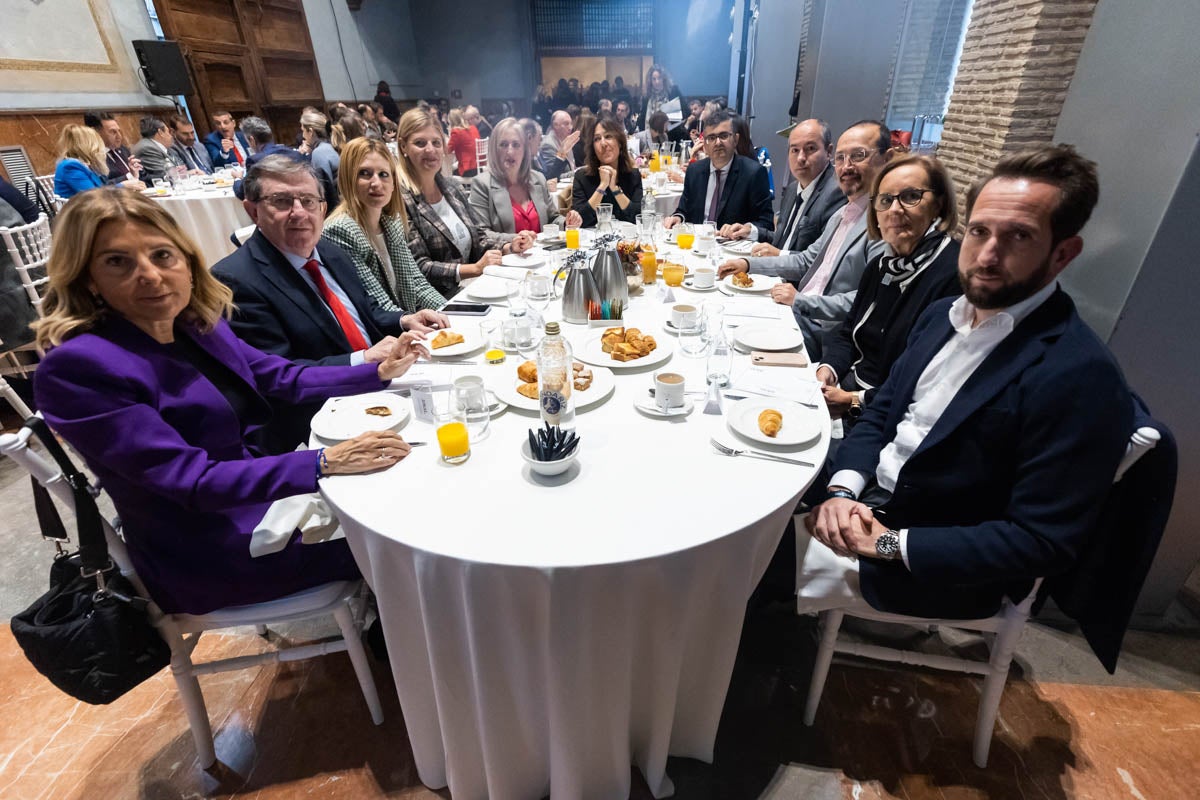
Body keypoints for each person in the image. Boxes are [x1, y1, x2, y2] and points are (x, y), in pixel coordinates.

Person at [32, 188, 426, 615]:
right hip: (210, 549)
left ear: (186, 260)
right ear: (87, 277)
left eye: (162, 255)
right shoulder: (79, 367)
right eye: (117, 262)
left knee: (411, 487)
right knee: (409, 539)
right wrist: (322, 463)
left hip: (262, 498)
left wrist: (376, 372)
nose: (149, 274)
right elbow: (192, 481)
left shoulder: (192, 320)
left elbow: (278, 374)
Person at [794, 144, 1134, 624]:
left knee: (739, 568)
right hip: (866, 497)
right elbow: (879, 413)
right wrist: (843, 492)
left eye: (1018, 236)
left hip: (929, 561)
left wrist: (887, 542)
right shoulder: (943, 316)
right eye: (979, 231)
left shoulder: (1079, 374)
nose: (988, 255)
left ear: (1063, 254)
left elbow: (1041, 540)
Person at [212, 155, 447, 451]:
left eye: (308, 201)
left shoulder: (329, 250)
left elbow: (365, 312)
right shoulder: (235, 280)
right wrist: (366, 361)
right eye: (282, 201)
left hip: (383, 388)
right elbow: (279, 376)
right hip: (323, 420)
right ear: (253, 210)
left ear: (323, 208)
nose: (299, 213)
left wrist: (404, 320)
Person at [718, 120, 892, 359]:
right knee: (724, 315)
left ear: (887, 159)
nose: (846, 166)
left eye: (858, 155)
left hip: (824, 332)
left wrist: (801, 302)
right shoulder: (844, 214)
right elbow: (805, 261)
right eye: (841, 158)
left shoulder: (885, 223)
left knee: (728, 345)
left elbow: (868, 300)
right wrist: (748, 264)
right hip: (798, 313)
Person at [817, 155, 962, 431]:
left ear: (939, 205)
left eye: (910, 197)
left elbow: (927, 380)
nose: (895, 210)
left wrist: (854, 401)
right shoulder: (881, 265)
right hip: (847, 389)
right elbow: (848, 333)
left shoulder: (952, 273)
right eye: (885, 200)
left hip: (888, 416)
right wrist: (828, 370)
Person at [394, 108, 533, 297]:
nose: (430, 150)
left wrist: (509, 246)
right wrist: (473, 269)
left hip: (473, 288)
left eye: (436, 142)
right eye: (420, 143)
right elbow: (419, 267)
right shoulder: (400, 199)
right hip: (439, 300)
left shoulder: (452, 188)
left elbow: (479, 235)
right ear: (403, 147)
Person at [322, 138, 446, 314]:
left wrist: (449, 313)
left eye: (383, 174)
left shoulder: (392, 222)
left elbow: (417, 283)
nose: (377, 183)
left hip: (407, 323)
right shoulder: (340, 230)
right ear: (348, 179)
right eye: (365, 173)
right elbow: (378, 304)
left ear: (394, 184)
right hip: (382, 334)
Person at [663, 109, 773, 236]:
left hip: (731, 246)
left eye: (724, 136)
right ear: (704, 143)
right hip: (696, 245)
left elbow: (767, 224)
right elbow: (684, 210)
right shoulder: (695, 171)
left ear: (736, 139)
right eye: (711, 138)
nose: (718, 142)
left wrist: (747, 229)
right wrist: (678, 218)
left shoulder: (753, 173)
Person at [744, 119, 845, 256]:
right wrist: (752, 231)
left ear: (829, 151)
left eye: (810, 149)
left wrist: (778, 255)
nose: (801, 158)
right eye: (795, 150)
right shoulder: (792, 189)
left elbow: (822, 259)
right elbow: (786, 240)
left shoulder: (837, 192)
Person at [469, 117, 581, 236]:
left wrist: (566, 223)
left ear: (524, 150)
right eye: (503, 145)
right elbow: (481, 234)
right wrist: (514, 241)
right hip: (507, 254)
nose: (510, 151)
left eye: (516, 145)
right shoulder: (482, 184)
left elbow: (552, 218)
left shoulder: (538, 179)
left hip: (543, 253)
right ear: (494, 150)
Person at [571, 114, 643, 227]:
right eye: (597, 139)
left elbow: (638, 218)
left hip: (627, 241)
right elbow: (579, 221)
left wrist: (614, 189)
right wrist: (602, 186)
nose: (603, 143)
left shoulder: (633, 175)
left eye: (608, 136)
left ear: (620, 143)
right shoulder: (582, 177)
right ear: (593, 147)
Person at [54, 125, 145, 199]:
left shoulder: (87, 165)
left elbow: (105, 186)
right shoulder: (70, 166)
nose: (100, 148)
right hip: (83, 217)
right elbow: (93, 195)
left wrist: (132, 176)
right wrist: (123, 186)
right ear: (88, 146)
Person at [299, 109, 340, 209]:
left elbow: (324, 191)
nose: (303, 136)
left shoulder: (319, 152)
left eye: (303, 131)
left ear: (311, 131)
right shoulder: (329, 145)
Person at [131, 116, 186, 183]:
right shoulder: (147, 148)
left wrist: (185, 172)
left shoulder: (163, 146)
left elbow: (181, 166)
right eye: (168, 132)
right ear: (160, 132)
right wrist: (188, 173)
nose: (171, 136)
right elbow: (166, 174)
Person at [96, 113, 143, 183]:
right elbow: (102, 185)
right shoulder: (94, 156)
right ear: (96, 133)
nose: (119, 136)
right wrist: (129, 176)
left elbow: (142, 175)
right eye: (113, 132)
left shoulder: (123, 149)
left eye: (119, 131)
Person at [538, 111, 578, 180]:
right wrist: (578, 173)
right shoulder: (548, 145)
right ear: (555, 125)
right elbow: (553, 176)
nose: (570, 127)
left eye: (571, 123)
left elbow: (572, 167)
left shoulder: (566, 139)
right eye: (566, 124)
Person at [638, 64, 680, 132]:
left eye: (659, 78)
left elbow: (682, 114)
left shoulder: (672, 92)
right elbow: (642, 118)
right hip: (650, 136)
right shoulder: (647, 96)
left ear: (664, 79)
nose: (657, 82)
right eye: (654, 79)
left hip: (671, 134)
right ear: (650, 81)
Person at [447, 108, 481, 178]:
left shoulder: (456, 132)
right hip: (478, 167)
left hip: (468, 169)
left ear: (451, 121)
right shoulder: (473, 128)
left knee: (448, 175)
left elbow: (448, 150)